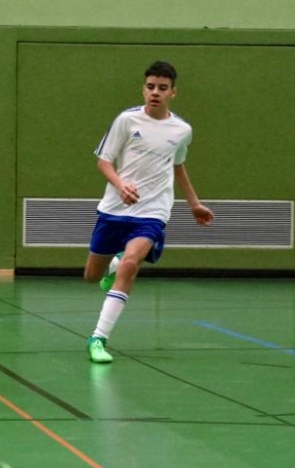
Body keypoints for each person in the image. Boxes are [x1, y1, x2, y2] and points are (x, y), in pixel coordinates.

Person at [83, 61, 213, 363]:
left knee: (131, 263)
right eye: (151, 87)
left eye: (162, 88)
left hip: (153, 211)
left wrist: (194, 203)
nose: (156, 92)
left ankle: (98, 338)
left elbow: (177, 165)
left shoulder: (182, 130)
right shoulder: (126, 121)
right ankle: (113, 265)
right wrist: (120, 185)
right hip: (115, 209)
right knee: (91, 276)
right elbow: (103, 161)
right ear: (144, 89)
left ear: (173, 93)